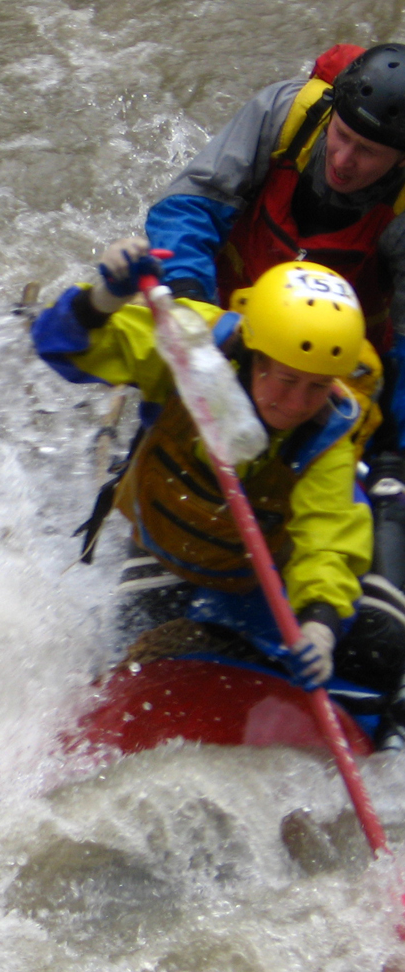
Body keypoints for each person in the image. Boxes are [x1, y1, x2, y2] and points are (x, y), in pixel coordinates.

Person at [33, 238, 405, 709]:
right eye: (286, 381)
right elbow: (57, 344)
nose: (294, 406)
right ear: (255, 355)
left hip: (265, 570)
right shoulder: (186, 343)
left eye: (314, 388)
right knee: (132, 651)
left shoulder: (326, 430)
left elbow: (328, 537)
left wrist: (320, 623)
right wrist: (105, 298)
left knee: (377, 647)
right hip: (169, 549)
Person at [145, 43, 405, 358]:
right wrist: (189, 296)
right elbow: (188, 204)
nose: (343, 160)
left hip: (325, 365)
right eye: (341, 134)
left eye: (367, 151)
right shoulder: (286, 113)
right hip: (223, 321)